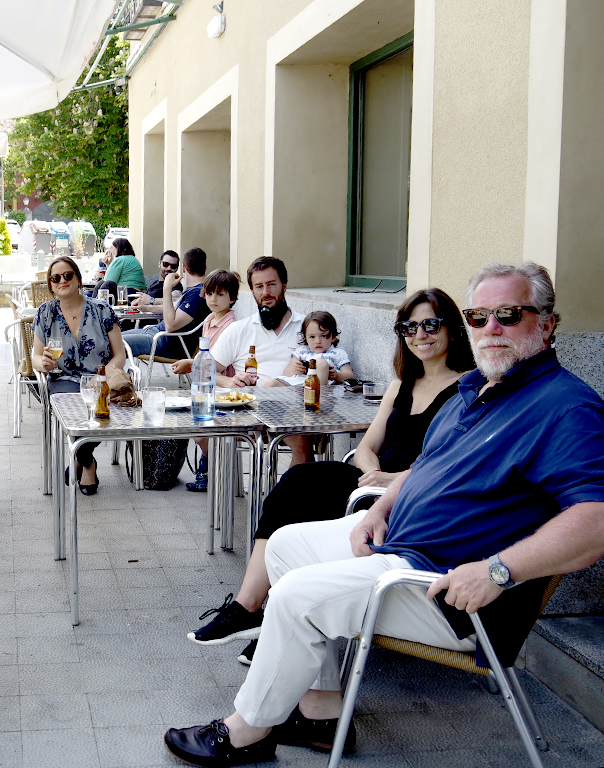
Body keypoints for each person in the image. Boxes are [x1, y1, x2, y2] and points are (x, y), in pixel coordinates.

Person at [163, 262, 604, 767]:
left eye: (508, 315)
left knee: (293, 596)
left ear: (547, 324)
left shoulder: (566, 407)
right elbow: (423, 467)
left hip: (447, 588)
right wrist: (383, 509)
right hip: (398, 544)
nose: (491, 329)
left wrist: (497, 570)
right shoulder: (476, 391)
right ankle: (322, 712)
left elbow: (595, 521)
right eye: (479, 317)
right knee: (285, 545)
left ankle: (247, 731)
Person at [189, 288, 475, 664]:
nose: (419, 334)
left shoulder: (468, 389)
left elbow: (454, 463)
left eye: (430, 325)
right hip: (370, 482)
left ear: (451, 329)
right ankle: (253, 607)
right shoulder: (401, 385)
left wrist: (393, 480)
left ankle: (276, 618)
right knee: (298, 481)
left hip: (415, 494)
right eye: (409, 327)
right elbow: (368, 446)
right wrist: (375, 473)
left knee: (309, 497)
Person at [196, 256, 311, 470]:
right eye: (259, 286)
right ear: (252, 291)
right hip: (252, 413)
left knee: (303, 444)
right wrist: (229, 381)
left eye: (271, 284)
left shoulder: (307, 328)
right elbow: (204, 370)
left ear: (284, 286)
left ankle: (285, 491)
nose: (265, 292)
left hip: (297, 412)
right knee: (203, 430)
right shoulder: (239, 329)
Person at [32, 256, 125, 495]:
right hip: (63, 379)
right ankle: (88, 462)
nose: (62, 281)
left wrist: (101, 377)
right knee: (73, 407)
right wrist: (44, 362)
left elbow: (120, 356)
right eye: (56, 278)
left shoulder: (101, 309)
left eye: (67, 275)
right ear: (51, 285)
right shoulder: (45, 313)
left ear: (78, 279)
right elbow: (35, 358)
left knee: (98, 405)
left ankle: (79, 458)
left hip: (100, 379)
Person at [167, 269, 242, 492]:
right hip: (207, 385)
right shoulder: (209, 319)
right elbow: (204, 355)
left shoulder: (231, 325)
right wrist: (192, 363)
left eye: (220, 294)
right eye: (209, 294)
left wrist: (190, 364)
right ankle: (209, 464)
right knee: (193, 424)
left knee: (200, 432)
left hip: (223, 387)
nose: (213, 299)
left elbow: (215, 362)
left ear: (232, 298)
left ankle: (209, 467)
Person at [122, 247, 211, 359]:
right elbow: (173, 310)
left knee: (113, 344)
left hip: (167, 344)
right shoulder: (193, 290)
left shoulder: (197, 294)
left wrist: (167, 288)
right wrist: (146, 307)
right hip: (157, 333)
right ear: (205, 268)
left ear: (183, 268)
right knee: (111, 338)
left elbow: (170, 326)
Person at [263, 311, 355, 387]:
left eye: (323, 336)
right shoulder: (302, 351)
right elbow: (286, 372)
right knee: (269, 383)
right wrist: (295, 369)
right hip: (298, 386)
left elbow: (350, 376)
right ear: (305, 337)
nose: (318, 341)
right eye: (312, 337)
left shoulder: (337, 353)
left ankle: (312, 397)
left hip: (321, 391)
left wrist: (337, 376)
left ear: (333, 336)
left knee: (320, 363)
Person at [94, 237, 146, 302]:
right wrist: (108, 264)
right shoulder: (133, 259)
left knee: (103, 283)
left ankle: (95, 305)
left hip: (125, 293)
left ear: (117, 248)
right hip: (137, 293)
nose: (110, 251)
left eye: (111, 248)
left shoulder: (119, 260)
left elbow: (108, 280)